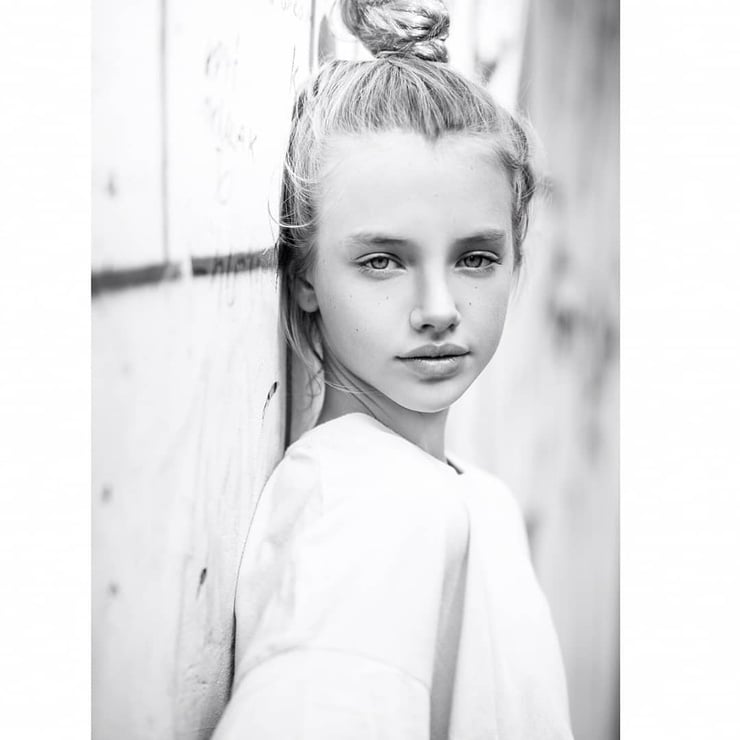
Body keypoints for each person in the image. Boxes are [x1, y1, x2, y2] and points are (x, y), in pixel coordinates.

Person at [213, 0, 573, 737]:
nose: (438, 309)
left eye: (476, 258)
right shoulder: (364, 510)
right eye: (382, 261)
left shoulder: (473, 499)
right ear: (304, 276)